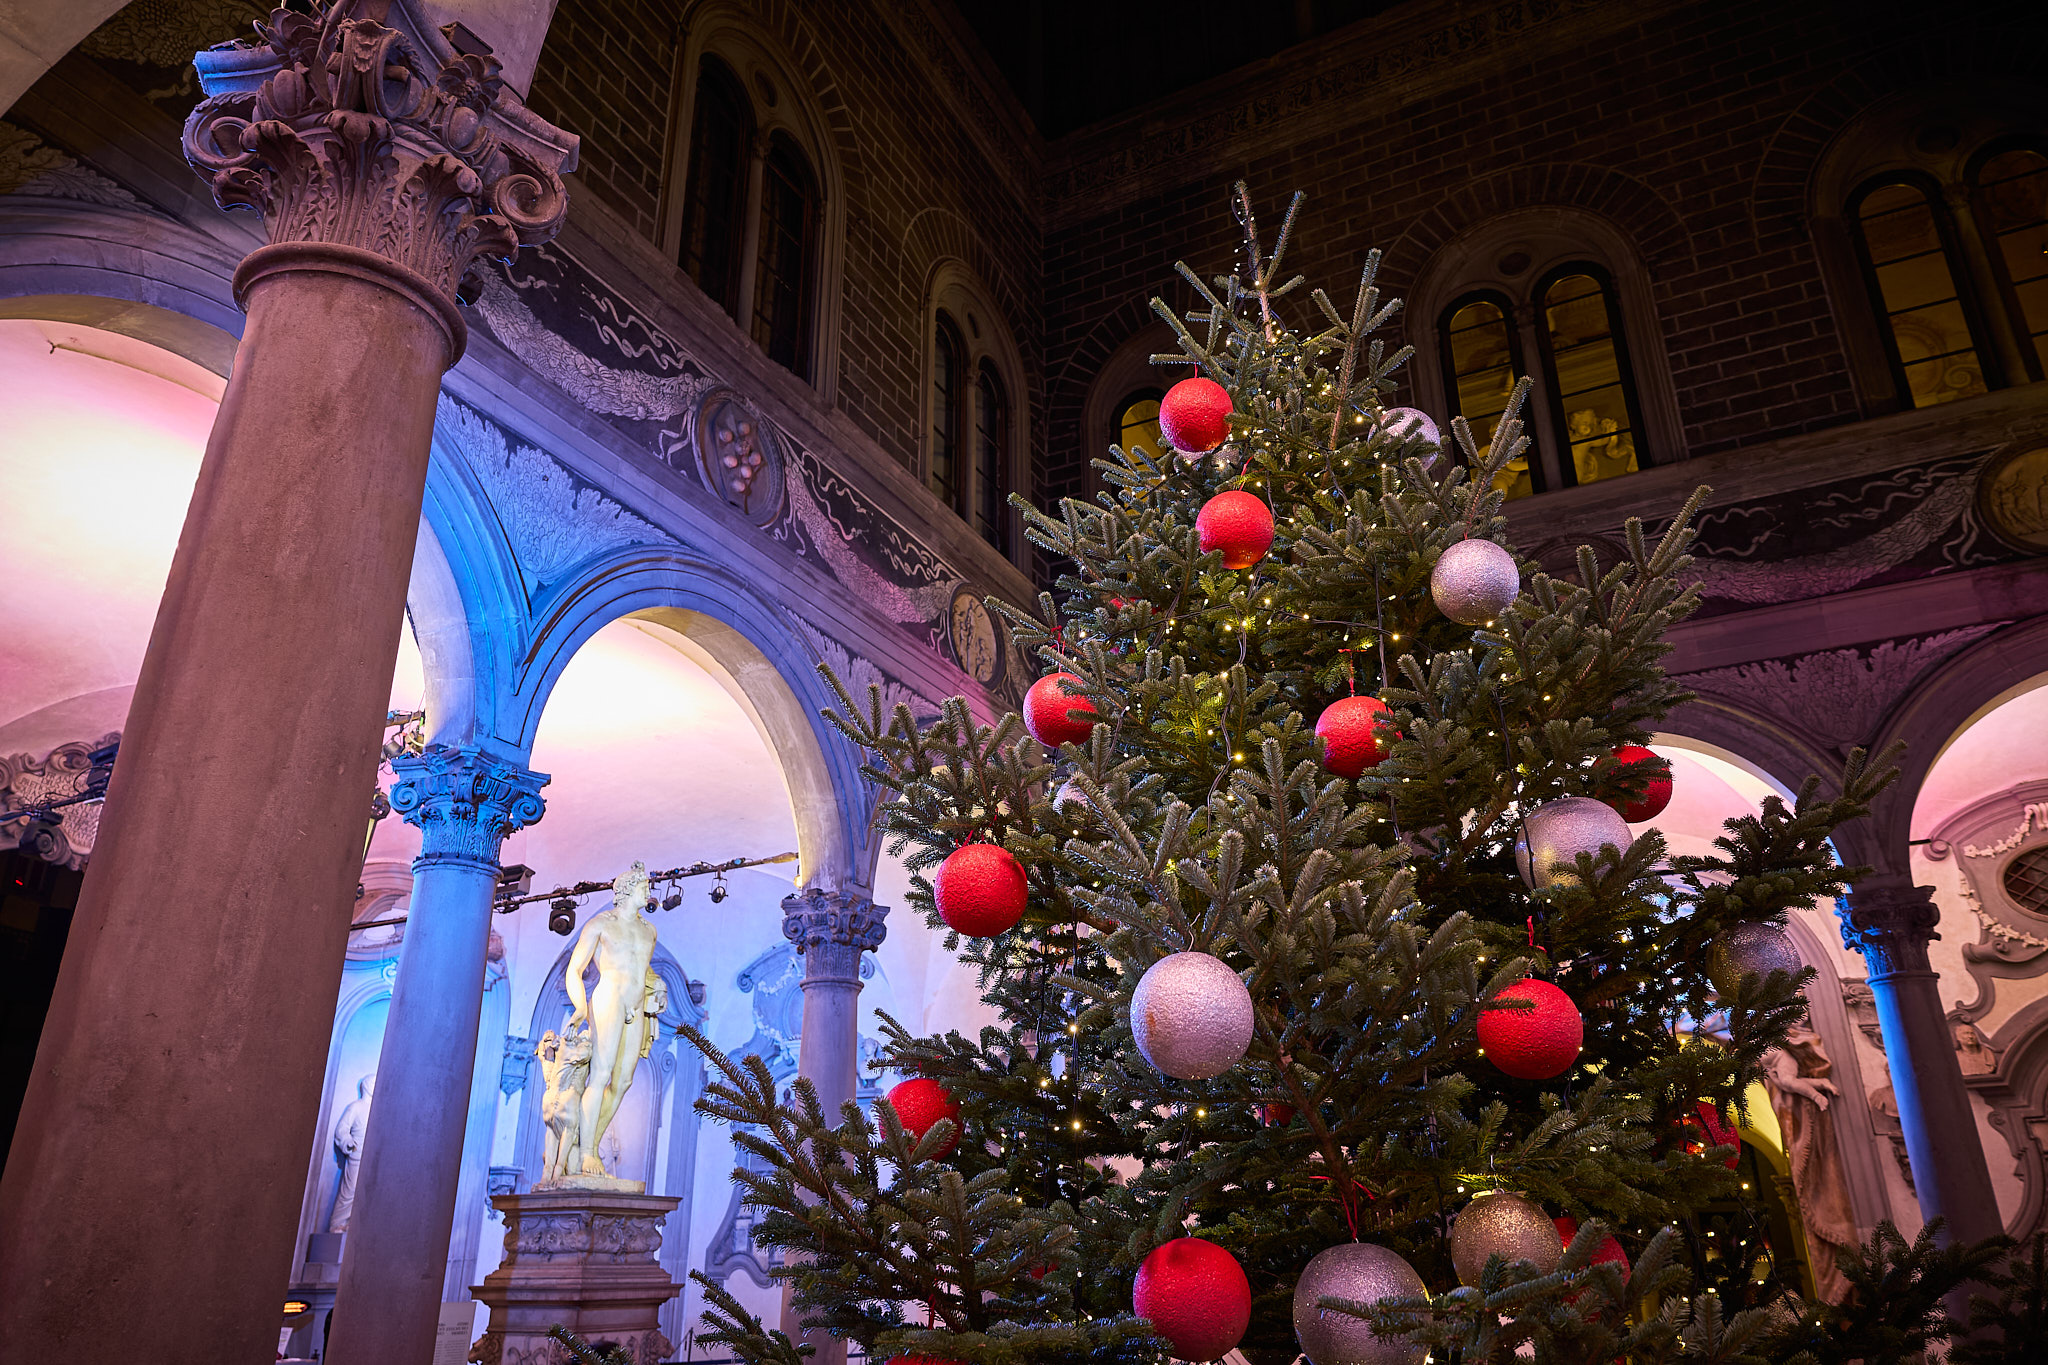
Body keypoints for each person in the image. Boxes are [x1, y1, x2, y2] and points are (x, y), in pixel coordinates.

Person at [564, 861, 661, 1177]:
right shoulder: (600, 923)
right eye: (644, 886)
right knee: (602, 1074)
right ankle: (589, 1153)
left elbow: (640, 969)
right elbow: (575, 970)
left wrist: (656, 984)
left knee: (623, 1081)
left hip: (636, 1005)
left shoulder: (649, 930)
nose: (648, 890)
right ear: (627, 890)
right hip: (609, 999)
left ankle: (583, 1141)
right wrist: (580, 1007)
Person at [327, 1074, 375, 1233]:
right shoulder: (356, 1106)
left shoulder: (379, 1109)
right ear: (368, 1086)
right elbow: (342, 1129)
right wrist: (348, 1142)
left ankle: (352, 1225)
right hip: (357, 1151)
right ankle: (337, 1224)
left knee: (367, 1190)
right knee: (350, 1189)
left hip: (373, 1155)